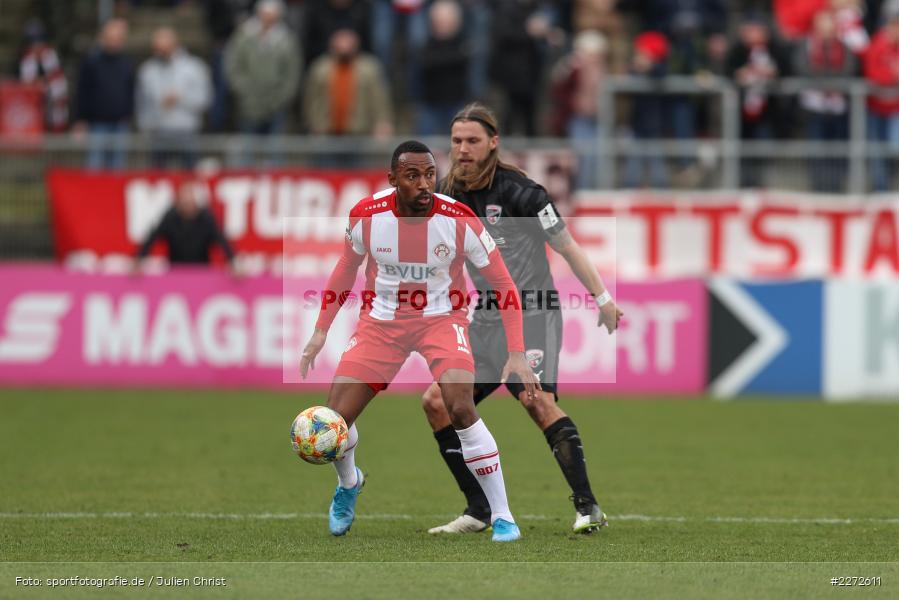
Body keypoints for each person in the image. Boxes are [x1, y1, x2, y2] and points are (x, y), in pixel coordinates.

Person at [299, 140, 539, 542]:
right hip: (381, 323)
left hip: (442, 320)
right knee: (334, 422)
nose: (425, 183)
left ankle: (502, 515)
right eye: (413, 176)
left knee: (460, 406)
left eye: (430, 174)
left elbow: (504, 285)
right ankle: (348, 484)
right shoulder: (366, 216)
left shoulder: (459, 219)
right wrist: (321, 330)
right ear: (393, 180)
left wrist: (516, 353)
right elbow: (345, 268)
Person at [421, 103, 623, 535]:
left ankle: (588, 507)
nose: (463, 149)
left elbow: (568, 248)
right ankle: (479, 510)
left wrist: (603, 299)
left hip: (534, 313)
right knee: (438, 403)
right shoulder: (446, 196)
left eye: (472, 140)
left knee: (534, 399)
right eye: (457, 141)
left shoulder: (524, 194)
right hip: (487, 318)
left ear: (493, 142)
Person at [224, 0, 300, 164]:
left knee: (275, 148)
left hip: (276, 103)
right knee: (248, 147)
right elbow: (233, 67)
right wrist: (244, 92)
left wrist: (279, 98)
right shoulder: (244, 35)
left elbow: (292, 74)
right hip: (248, 103)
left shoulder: (286, 40)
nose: (268, 18)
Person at [136, 27, 212, 169]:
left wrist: (180, 99)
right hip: (158, 132)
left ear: (174, 44)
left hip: (186, 131)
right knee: (157, 179)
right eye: (156, 48)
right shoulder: (148, 70)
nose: (159, 51)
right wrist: (145, 127)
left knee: (188, 179)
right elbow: (142, 102)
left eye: (163, 48)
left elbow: (204, 99)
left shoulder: (194, 67)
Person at [73, 18, 135, 170]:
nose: (114, 42)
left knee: (117, 168)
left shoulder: (127, 63)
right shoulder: (91, 62)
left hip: (120, 124)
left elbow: (131, 92)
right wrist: (80, 120)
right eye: (111, 38)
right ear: (103, 38)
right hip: (96, 124)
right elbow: (82, 91)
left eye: (118, 38)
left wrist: (129, 116)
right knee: (94, 166)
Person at [134, 181, 236, 271]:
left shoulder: (207, 219)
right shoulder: (170, 218)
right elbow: (152, 238)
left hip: (201, 271)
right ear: (179, 201)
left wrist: (233, 261)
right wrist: (139, 259)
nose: (187, 205)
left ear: (197, 202)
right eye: (184, 201)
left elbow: (222, 241)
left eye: (190, 201)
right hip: (175, 271)